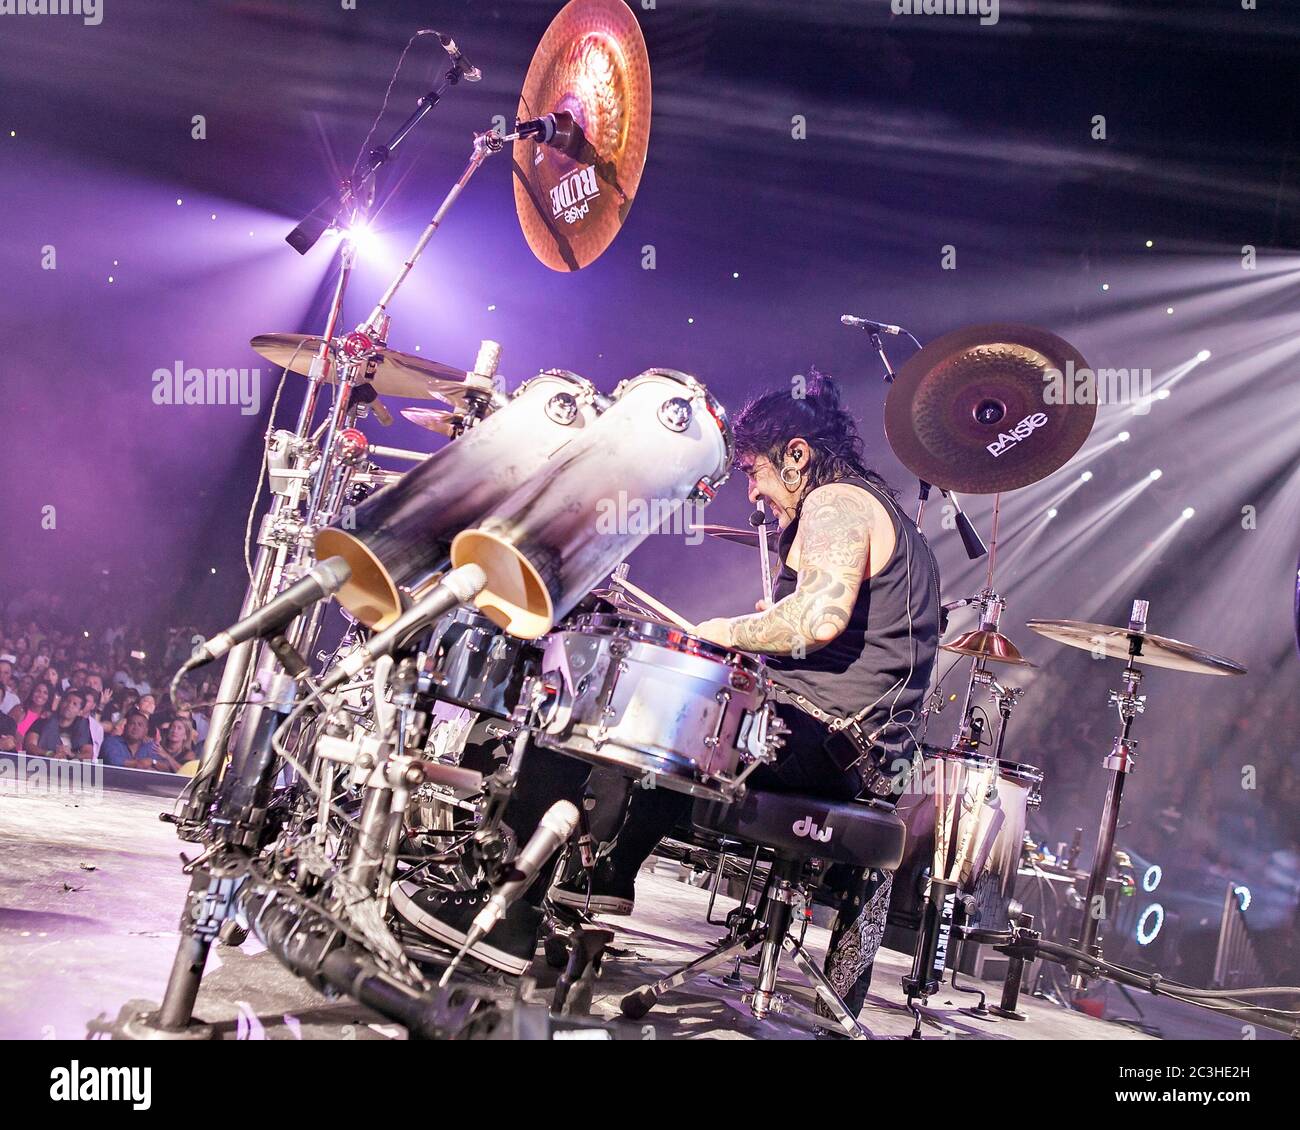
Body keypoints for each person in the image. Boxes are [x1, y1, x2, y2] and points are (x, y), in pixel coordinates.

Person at [393, 372, 941, 1026]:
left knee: (581, 712)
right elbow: (840, 633)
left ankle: (513, 916)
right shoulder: (891, 517)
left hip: (825, 741)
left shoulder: (835, 503)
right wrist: (771, 632)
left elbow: (816, 621)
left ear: (796, 454)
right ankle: (607, 878)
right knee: (676, 711)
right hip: (868, 755)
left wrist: (720, 632)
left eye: (753, 471)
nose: (754, 493)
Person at [36, 689, 94, 760]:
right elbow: (30, 745)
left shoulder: (83, 726)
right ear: (61, 703)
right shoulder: (45, 720)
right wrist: (50, 754)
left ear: (80, 712)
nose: (69, 705)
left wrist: (71, 754)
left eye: (74, 704)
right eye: (67, 701)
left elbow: (88, 754)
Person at [99, 709, 165, 769]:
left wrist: (153, 762)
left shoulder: (150, 746)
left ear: (146, 731)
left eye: (140, 725)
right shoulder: (111, 741)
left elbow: (166, 768)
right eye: (132, 724)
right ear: (125, 727)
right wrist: (140, 764)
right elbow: (114, 762)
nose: (135, 728)